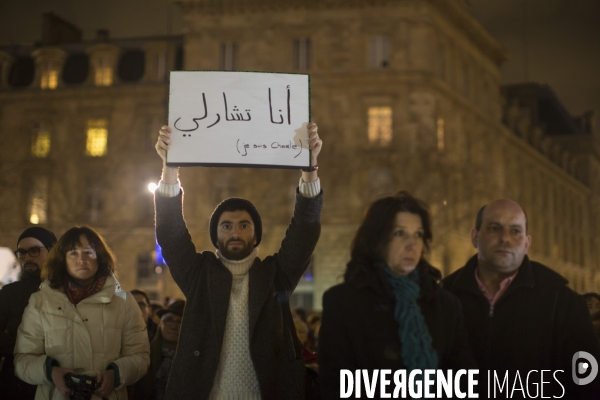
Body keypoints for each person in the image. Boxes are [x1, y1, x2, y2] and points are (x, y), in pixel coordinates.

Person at [153, 123, 323, 399]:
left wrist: (309, 168)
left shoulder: (275, 275)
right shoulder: (199, 275)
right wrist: (170, 169)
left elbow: (304, 233)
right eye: (226, 226)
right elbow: (171, 235)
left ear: (256, 235)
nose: (235, 232)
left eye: (244, 225)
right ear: (215, 235)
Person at [319, 191, 476, 399]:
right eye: (400, 233)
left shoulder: (446, 305)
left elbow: (465, 382)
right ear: (377, 240)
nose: (412, 244)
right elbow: (337, 385)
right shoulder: (342, 302)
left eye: (418, 234)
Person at [443, 199, 600, 398]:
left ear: (527, 243)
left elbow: (588, 383)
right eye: (494, 228)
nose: (505, 238)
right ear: (475, 237)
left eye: (515, 231)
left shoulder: (562, 302)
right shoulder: (443, 297)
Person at [14, 226, 150, 400]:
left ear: (99, 257)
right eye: (73, 253)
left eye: (88, 253)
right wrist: (51, 372)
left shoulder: (123, 303)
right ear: (62, 259)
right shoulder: (40, 302)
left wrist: (115, 374)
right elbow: (22, 360)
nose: (81, 260)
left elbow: (140, 356)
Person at [0, 227, 57, 400]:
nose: (27, 258)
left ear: (52, 251)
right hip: (16, 385)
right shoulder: (9, 294)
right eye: (22, 252)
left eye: (34, 250)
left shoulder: (66, 292)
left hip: (57, 384)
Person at [129, 300, 185, 400]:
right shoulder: (143, 354)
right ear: (160, 324)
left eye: (179, 322)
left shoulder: (188, 360)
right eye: (168, 320)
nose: (173, 326)